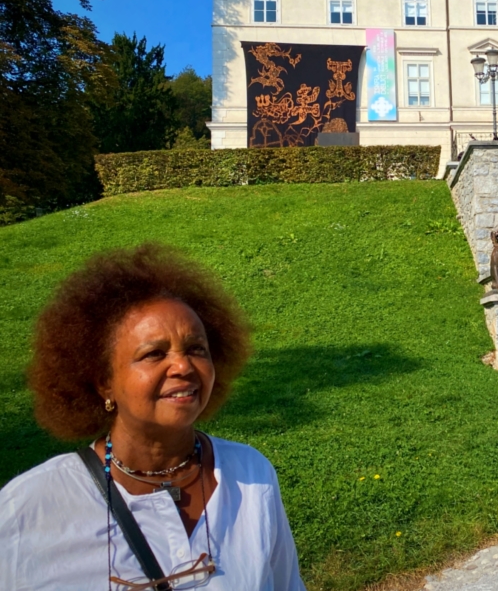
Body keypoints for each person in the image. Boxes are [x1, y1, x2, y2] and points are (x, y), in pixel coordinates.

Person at [0, 244, 305, 590]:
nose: (183, 366)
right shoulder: (27, 509)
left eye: (196, 349)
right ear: (104, 382)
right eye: (153, 354)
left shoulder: (251, 476)